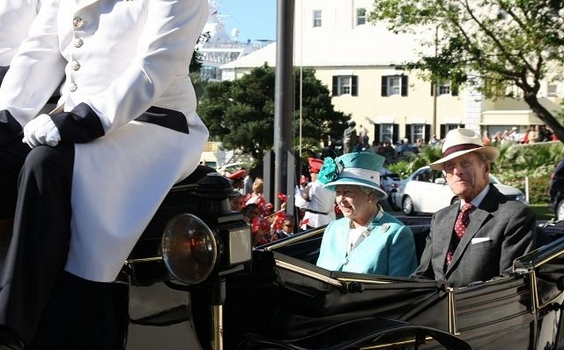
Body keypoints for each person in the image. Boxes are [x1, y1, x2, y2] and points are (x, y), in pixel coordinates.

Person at [0, 0, 209, 348]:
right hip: (71, 120)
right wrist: (6, 118)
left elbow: (154, 65)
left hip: (151, 125)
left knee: (45, 165)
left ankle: (11, 329)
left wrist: (86, 118)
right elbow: (38, 54)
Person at [412, 128, 536, 287]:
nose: (457, 171)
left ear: (485, 168)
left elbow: (511, 282)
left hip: (483, 309)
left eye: (465, 163)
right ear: (446, 176)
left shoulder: (514, 215)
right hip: (438, 310)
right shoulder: (440, 219)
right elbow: (423, 276)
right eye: (450, 166)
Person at [315, 152, 417, 276]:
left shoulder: (396, 233)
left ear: (370, 196)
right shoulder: (333, 228)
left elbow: (400, 289)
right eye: (338, 193)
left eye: (347, 192)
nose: (341, 199)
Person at [294, 158, 336, 230]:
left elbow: (300, 203)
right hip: (328, 220)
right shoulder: (331, 186)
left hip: (314, 221)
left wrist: (297, 193)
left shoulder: (313, 185)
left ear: (317, 174)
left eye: (312, 173)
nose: (311, 175)